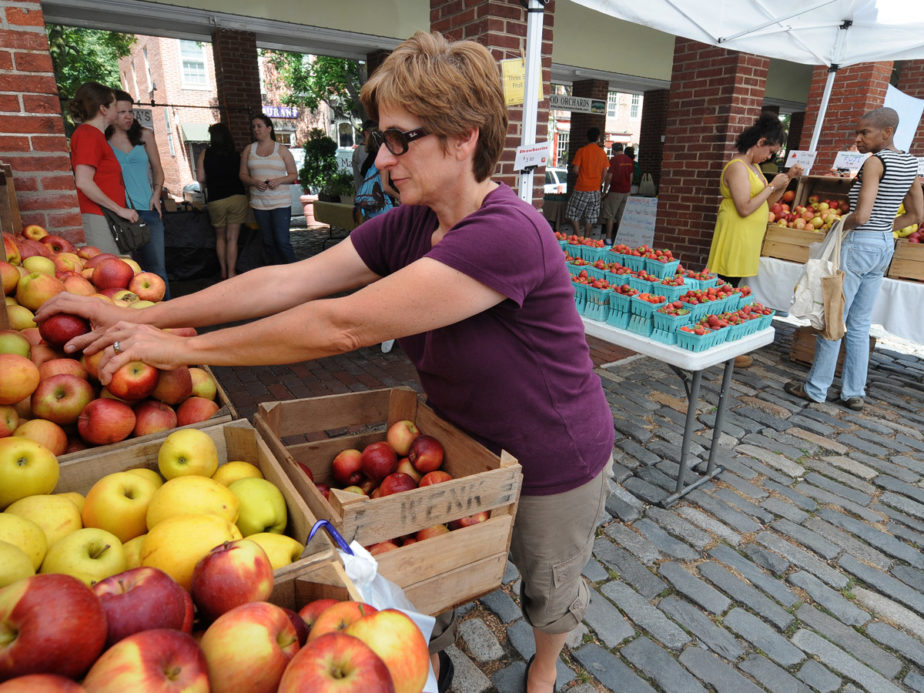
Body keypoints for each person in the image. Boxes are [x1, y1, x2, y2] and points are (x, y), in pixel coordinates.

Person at [36, 31, 614, 693]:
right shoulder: (409, 224)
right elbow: (288, 282)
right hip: (464, 438)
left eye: (400, 139)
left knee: (546, 579)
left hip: (554, 450)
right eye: (381, 136)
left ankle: (543, 669)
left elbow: (342, 324)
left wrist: (185, 348)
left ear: (463, 137)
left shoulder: (509, 232)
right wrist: (142, 318)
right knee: (453, 559)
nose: (382, 157)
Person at [785, 107, 922, 411]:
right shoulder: (910, 163)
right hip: (884, 245)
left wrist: (838, 226)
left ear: (887, 132)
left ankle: (817, 388)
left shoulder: (875, 162)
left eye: (865, 132)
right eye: (858, 132)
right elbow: (916, 215)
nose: (858, 138)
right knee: (859, 323)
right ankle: (853, 392)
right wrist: (884, 230)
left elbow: (861, 215)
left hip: (859, 243)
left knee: (834, 316)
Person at [706, 114, 802, 368]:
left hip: (747, 236)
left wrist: (785, 181)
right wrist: (772, 187)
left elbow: (767, 204)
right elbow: (745, 208)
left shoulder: (754, 167)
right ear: (760, 142)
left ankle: (721, 340)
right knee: (725, 288)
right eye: (770, 151)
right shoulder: (738, 166)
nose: (770, 157)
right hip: (736, 233)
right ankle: (720, 342)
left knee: (731, 288)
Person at [107, 90, 170, 299]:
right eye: (122, 111)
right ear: (109, 112)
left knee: (157, 268)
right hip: (119, 213)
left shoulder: (144, 135)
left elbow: (158, 170)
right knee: (127, 271)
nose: (128, 116)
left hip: (148, 209)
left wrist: (156, 194)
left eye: (130, 112)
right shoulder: (102, 140)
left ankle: (170, 317)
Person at [68, 82, 138, 255]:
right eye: (114, 104)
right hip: (99, 216)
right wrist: (119, 210)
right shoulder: (88, 134)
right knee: (112, 272)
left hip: (106, 216)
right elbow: (83, 182)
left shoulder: (95, 135)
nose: (118, 108)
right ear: (103, 109)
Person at [239, 114, 298, 265]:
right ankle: (276, 272)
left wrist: (279, 180)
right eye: (253, 127)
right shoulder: (248, 150)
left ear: (269, 128)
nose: (256, 129)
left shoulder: (282, 150)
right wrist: (253, 181)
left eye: (259, 126)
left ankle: (295, 270)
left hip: (281, 203)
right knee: (268, 241)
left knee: (282, 240)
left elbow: (293, 175)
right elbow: (243, 175)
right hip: (260, 203)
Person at [197, 123, 249, 279]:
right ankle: (232, 272)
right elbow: (244, 177)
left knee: (220, 237)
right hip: (237, 197)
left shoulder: (205, 154)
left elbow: (200, 178)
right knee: (232, 238)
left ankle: (223, 271)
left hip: (216, 199)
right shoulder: (236, 155)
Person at [565, 127, 609, 237]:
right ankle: (587, 236)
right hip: (595, 189)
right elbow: (605, 172)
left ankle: (579, 235)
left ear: (587, 138)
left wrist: (584, 175)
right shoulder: (602, 153)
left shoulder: (582, 151)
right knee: (591, 215)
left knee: (573, 212)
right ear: (598, 138)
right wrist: (599, 182)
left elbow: (575, 169)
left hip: (581, 187)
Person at [353, 125, 397, 224]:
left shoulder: (367, 160)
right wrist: (399, 196)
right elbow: (385, 187)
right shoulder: (381, 161)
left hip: (369, 206)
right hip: (383, 205)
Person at [600, 143, 633, 245]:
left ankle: (608, 238)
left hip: (615, 191)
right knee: (621, 216)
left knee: (610, 215)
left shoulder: (614, 160)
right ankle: (620, 240)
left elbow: (609, 177)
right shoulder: (629, 160)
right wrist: (628, 188)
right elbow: (631, 177)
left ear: (614, 150)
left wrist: (605, 191)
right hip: (626, 192)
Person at [352, 119, 375, 191]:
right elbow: (367, 174)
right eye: (375, 133)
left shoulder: (365, 150)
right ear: (366, 133)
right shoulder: (362, 150)